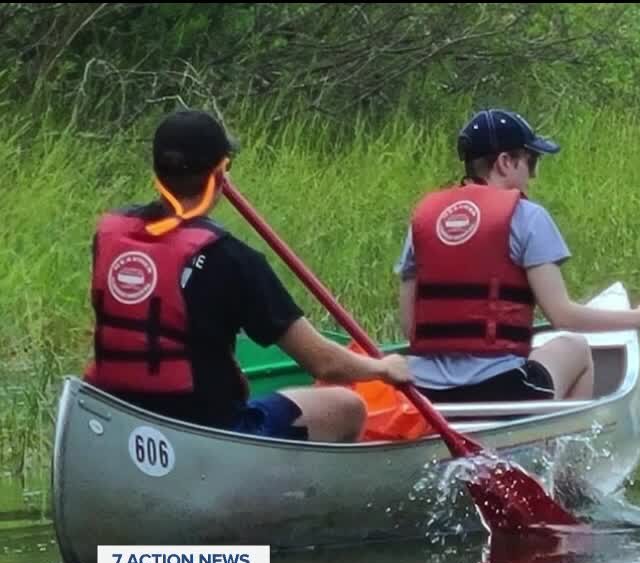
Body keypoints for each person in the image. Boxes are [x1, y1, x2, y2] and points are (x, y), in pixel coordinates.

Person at [84, 108, 411, 442]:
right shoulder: (231, 258)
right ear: (220, 172)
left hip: (121, 419)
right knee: (346, 405)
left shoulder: (109, 236)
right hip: (208, 433)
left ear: (157, 170)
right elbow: (324, 364)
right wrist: (383, 368)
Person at [394, 108, 640, 403]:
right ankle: (563, 446)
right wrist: (638, 318)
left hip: (426, 396)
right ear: (505, 162)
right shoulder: (527, 217)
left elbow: (411, 328)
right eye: (531, 161)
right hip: (500, 389)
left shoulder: (422, 221)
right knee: (576, 348)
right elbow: (563, 316)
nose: (534, 174)